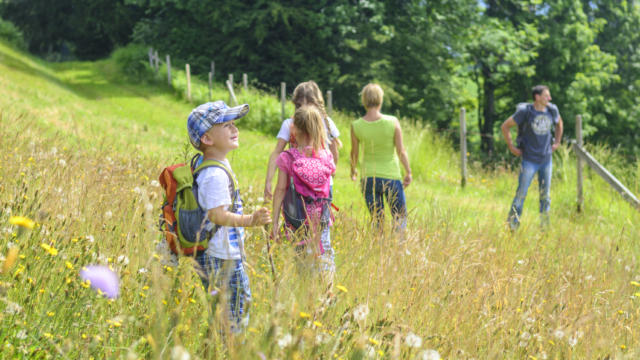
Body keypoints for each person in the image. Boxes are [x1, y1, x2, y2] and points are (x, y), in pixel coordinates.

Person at [186, 100, 272, 333]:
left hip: (221, 253)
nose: (235, 129)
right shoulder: (214, 173)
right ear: (207, 139)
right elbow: (216, 215)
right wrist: (250, 220)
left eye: (234, 124)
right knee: (234, 319)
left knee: (225, 317)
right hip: (220, 257)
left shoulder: (216, 164)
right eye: (227, 125)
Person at [264, 80, 340, 268]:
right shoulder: (324, 123)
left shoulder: (292, 123)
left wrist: (270, 179)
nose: (304, 108)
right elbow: (335, 152)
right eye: (300, 105)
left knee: (298, 228)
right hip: (315, 190)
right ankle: (325, 285)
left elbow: (277, 152)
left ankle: (306, 275)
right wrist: (329, 172)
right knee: (322, 241)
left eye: (307, 104)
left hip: (297, 186)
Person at [350, 83, 411, 233]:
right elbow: (401, 151)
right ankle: (399, 249)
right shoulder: (392, 122)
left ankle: (378, 250)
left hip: (369, 177)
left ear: (363, 100)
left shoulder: (356, 125)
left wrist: (353, 170)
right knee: (400, 216)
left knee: (377, 219)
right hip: (391, 176)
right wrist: (408, 171)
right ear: (381, 99)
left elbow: (354, 153)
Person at [501, 85, 563, 231]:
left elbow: (560, 123)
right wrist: (511, 146)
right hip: (529, 159)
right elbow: (505, 126)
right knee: (521, 194)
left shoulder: (552, 110)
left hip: (546, 160)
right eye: (546, 96)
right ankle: (512, 226)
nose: (550, 98)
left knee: (545, 196)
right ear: (537, 97)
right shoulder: (525, 112)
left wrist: (557, 142)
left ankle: (544, 228)